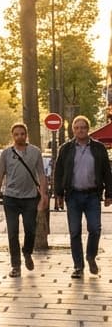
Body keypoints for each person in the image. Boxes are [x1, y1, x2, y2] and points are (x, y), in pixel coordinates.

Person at [53, 115, 112, 279]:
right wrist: (58, 193)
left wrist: (109, 194)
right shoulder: (66, 149)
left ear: (88, 129)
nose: (80, 130)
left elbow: (107, 172)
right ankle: (78, 266)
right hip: (73, 196)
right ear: (73, 130)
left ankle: (91, 256)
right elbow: (58, 172)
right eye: (77, 128)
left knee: (95, 229)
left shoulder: (99, 148)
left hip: (93, 195)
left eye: (83, 127)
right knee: (74, 232)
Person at [0, 122, 48, 277]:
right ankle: (15, 265)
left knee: (30, 229)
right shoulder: (6, 153)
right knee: (12, 232)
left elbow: (42, 175)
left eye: (22, 134)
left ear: (26, 135)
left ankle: (27, 252)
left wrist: (43, 196)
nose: (19, 137)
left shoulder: (35, 152)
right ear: (13, 136)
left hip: (30, 198)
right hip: (11, 198)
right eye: (16, 134)